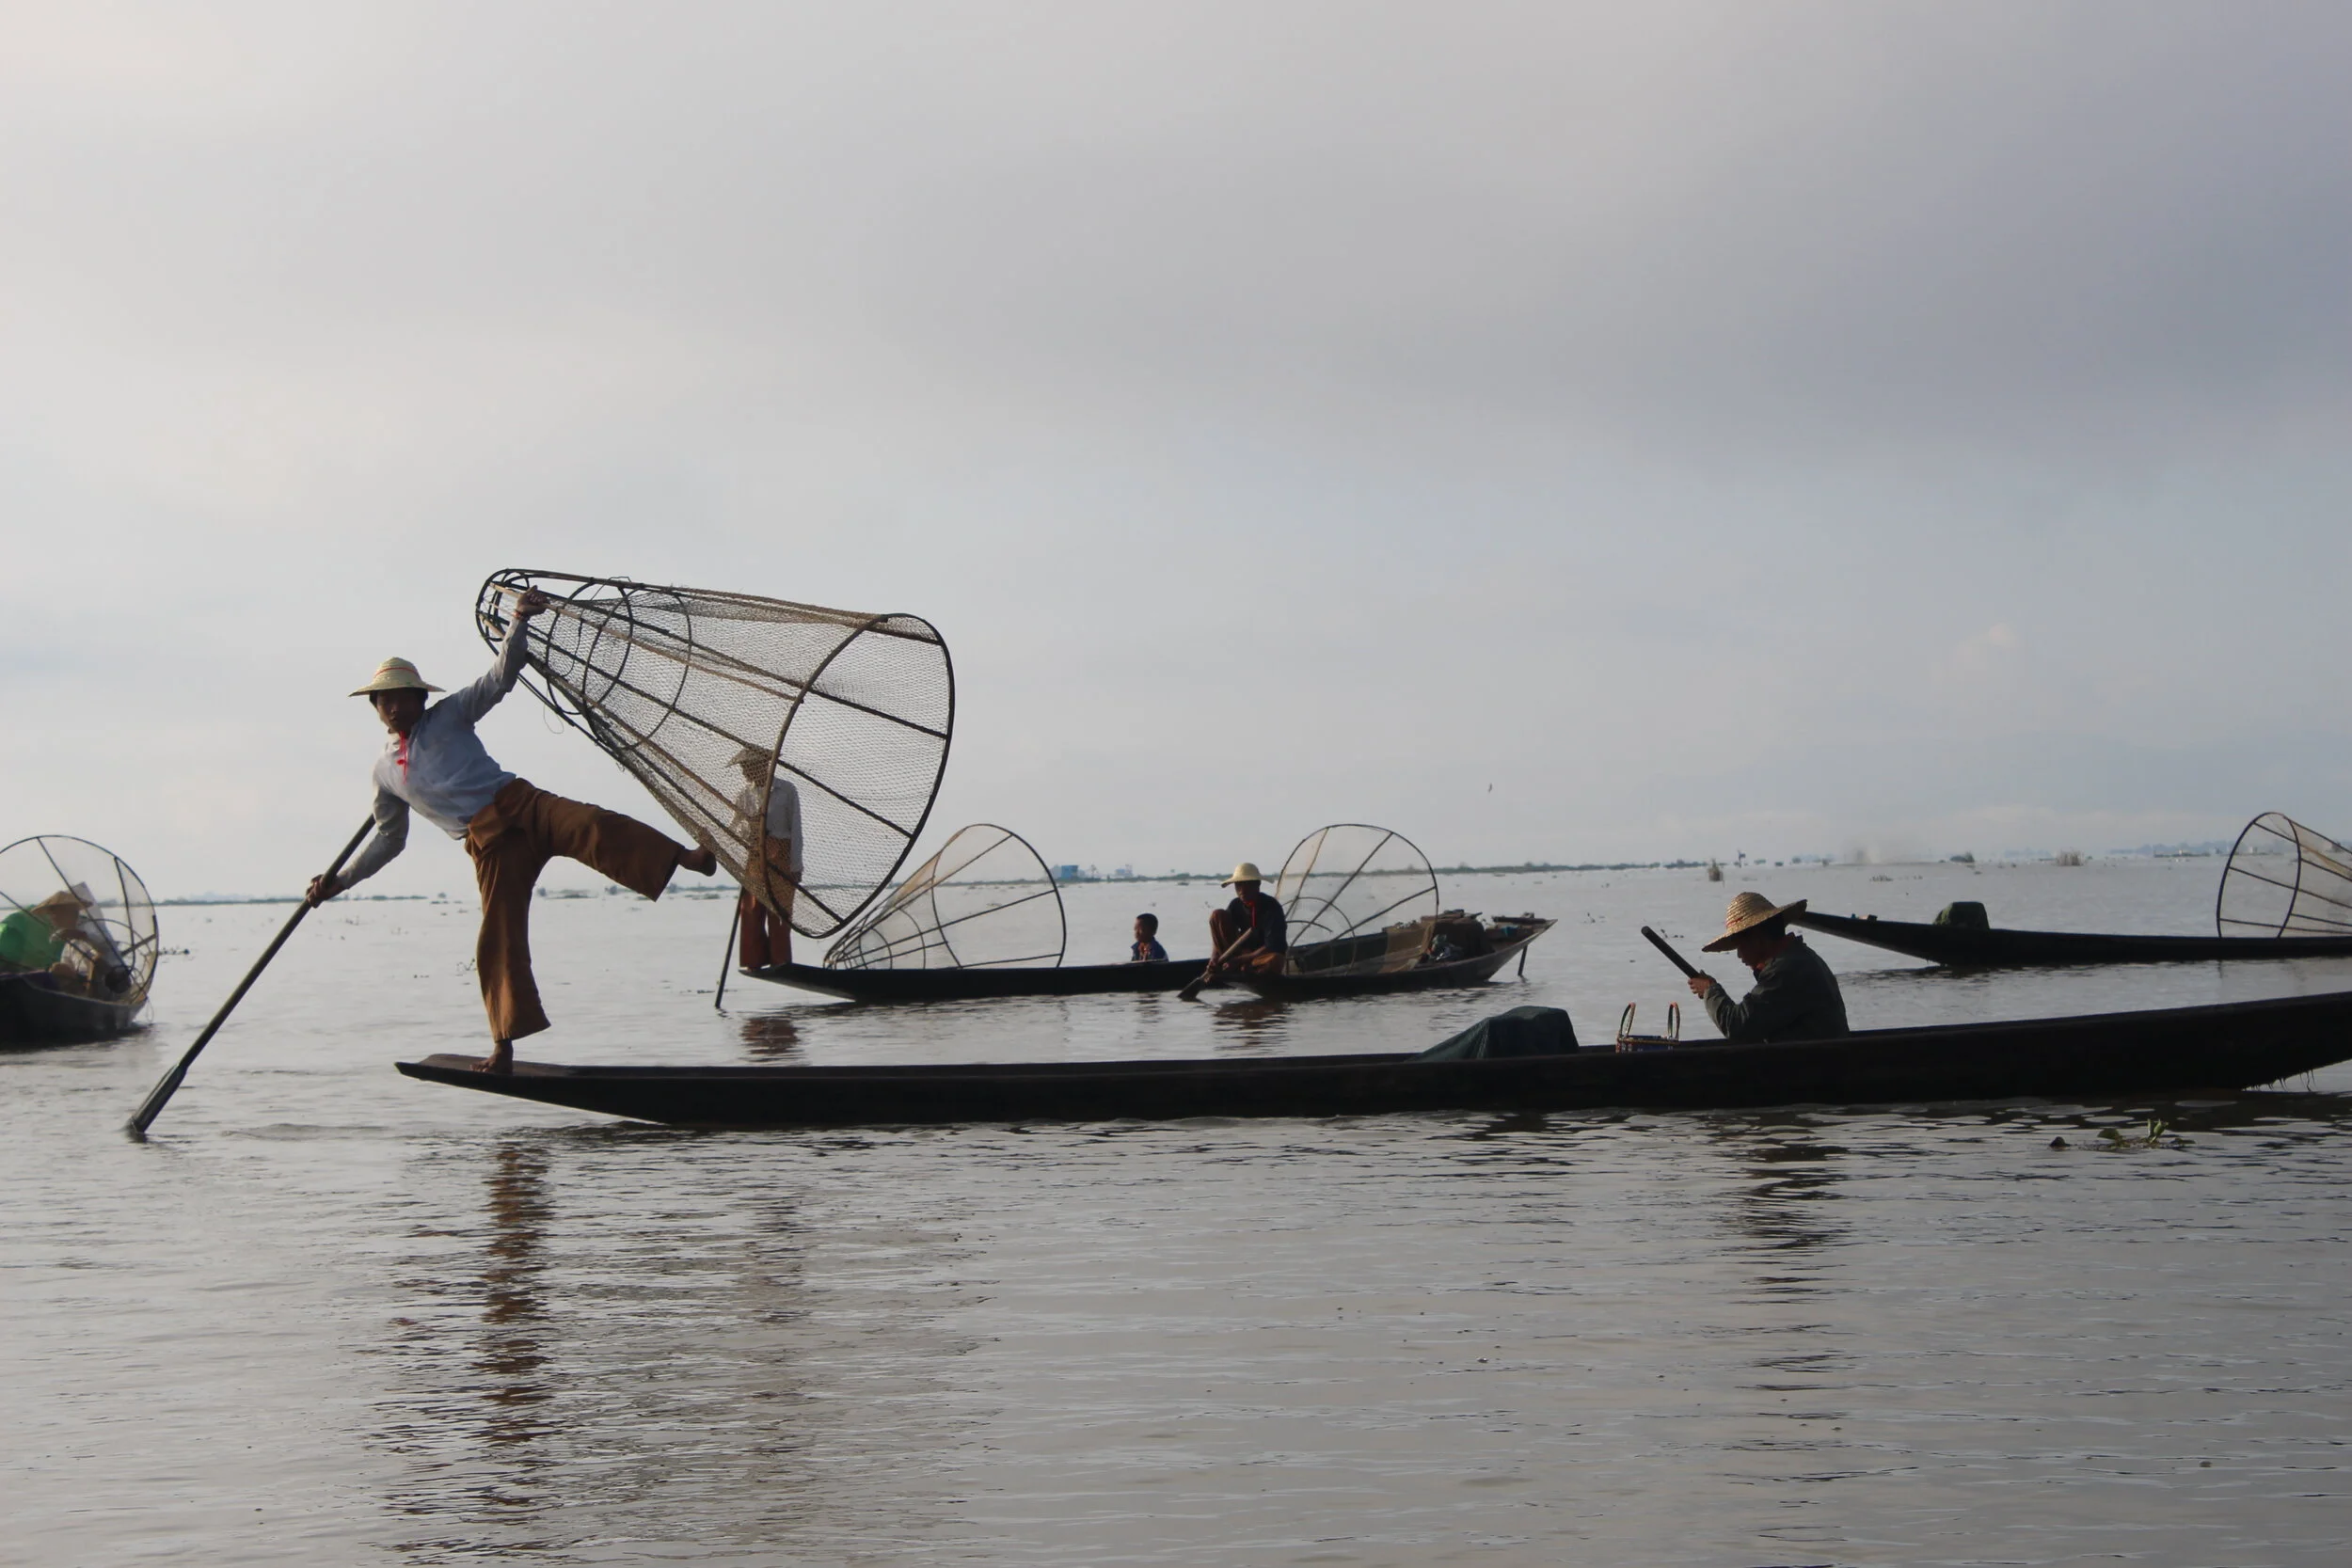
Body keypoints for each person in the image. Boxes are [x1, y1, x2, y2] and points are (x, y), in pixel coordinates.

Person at [309, 589, 718, 1072]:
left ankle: (684, 858)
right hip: (489, 844)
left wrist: (519, 620)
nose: (394, 707)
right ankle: (503, 1046)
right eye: (385, 700)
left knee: (593, 824)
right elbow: (388, 840)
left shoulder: (451, 714)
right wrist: (341, 881)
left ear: (420, 699)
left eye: (402, 697)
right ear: (376, 707)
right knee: (497, 939)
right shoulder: (385, 774)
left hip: (523, 805)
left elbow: (500, 678)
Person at [1685, 891, 1849, 1043]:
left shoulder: (1786, 970)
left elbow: (1737, 1027)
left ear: (1757, 938)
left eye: (1740, 946)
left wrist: (1710, 990)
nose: (1739, 955)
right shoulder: (1799, 958)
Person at [728, 743, 803, 970]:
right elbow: (735, 828)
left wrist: (796, 864)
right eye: (743, 768)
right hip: (755, 856)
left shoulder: (786, 790)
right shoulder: (744, 795)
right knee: (751, 908)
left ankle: (780, 961)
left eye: (748, 767)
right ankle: (753, 961)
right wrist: (750, 828)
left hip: (781, 854)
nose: (745, 772)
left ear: (762, 766)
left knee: (779, 910)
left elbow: (796, 828)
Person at [1205, 862, 1287, 976]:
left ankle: (1247, 969)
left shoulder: (1271, 907)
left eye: (1247, 885)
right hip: (1241, 954)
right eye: (1239, 885)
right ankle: (1229, 966)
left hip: (1260, 957)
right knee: (1217, 915)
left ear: (1257, 885)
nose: (1242, 890)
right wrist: (1214, 957)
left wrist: (1240, 960)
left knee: (1275, 960)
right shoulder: (1235, 905)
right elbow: (1221, 934)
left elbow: (1272, 946)